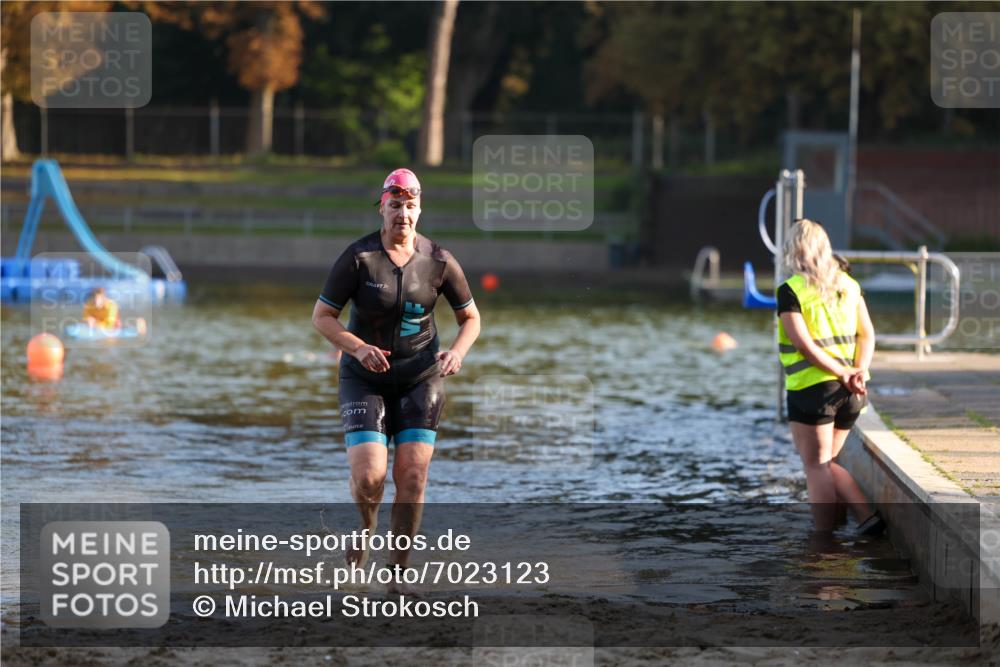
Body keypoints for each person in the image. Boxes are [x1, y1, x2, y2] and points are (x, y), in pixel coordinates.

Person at [311, 168, 481, 580]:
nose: (402, 214)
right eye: (394, 206)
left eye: (409, 206)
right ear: (381, 209)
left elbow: (471, 318)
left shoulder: (440, 261)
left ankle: (398, 573)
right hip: (363, 378)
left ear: (419, 211)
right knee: (370, 477)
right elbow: (322, 317)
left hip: (420, 378)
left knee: (413, 477)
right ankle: (366, 527)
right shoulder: (359, 259)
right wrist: (357, 347)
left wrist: (457, 353)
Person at [776, 219, 884, 536]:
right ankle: (862, 521)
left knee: (816, 466)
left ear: (792, 250)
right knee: (829, 462)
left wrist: (842, 371)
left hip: (814, 390)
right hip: (851, 391)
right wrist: (858, 371)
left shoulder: (791, 290)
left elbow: (804, 346)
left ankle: (824, 542)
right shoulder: (848, 285)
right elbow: (868, 335)